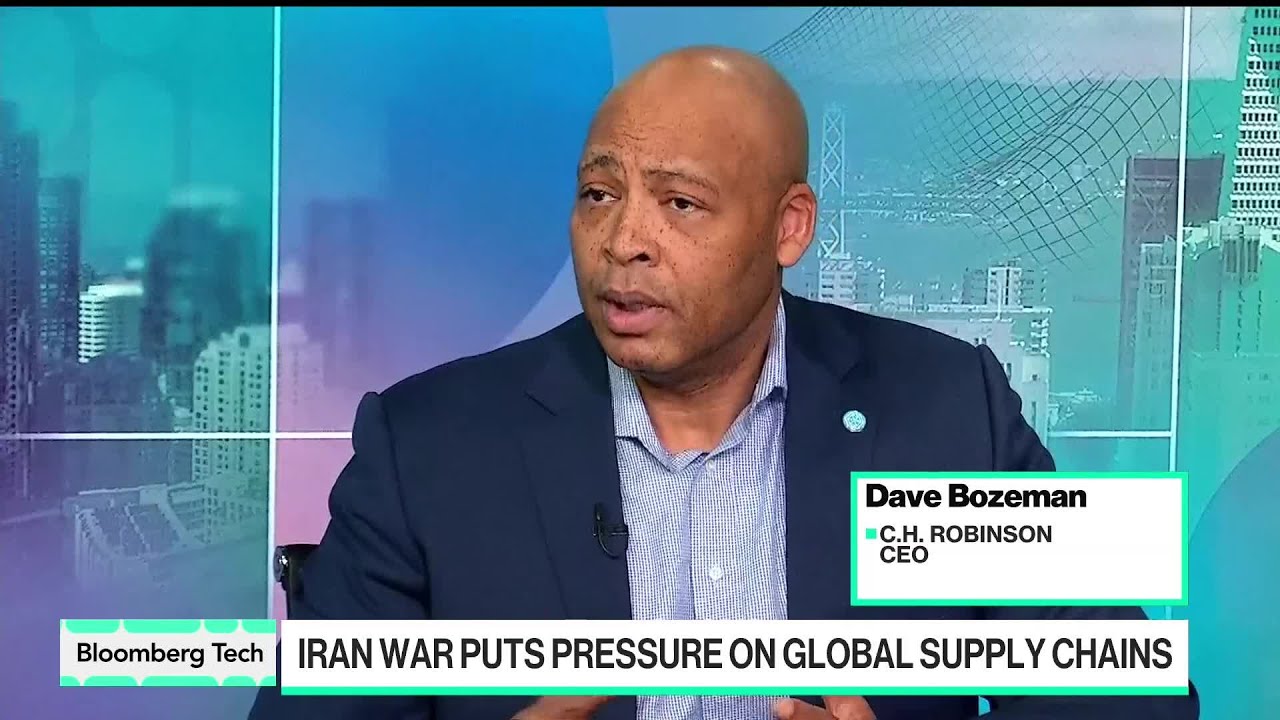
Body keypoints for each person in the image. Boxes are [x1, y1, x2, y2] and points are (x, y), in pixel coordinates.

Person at [249, 46, 1199, 720]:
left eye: (680, 203)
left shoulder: (948, 411)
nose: (624, 240)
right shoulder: (431, 446)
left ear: (789, 228)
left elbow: (1133, 701)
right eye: (599, 194)